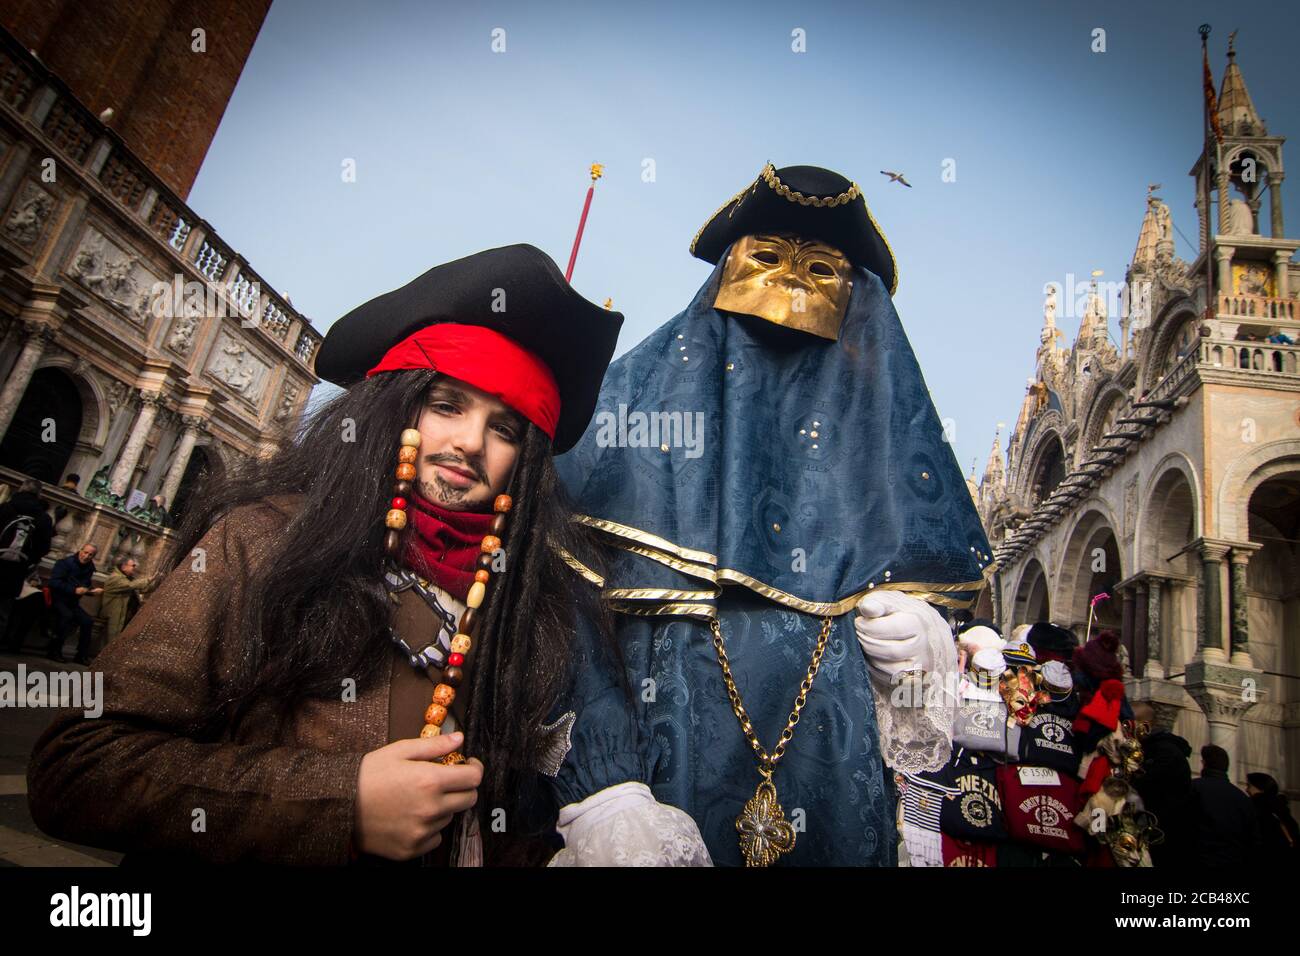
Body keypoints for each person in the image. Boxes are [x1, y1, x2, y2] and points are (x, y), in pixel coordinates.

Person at [28, 243, 703, 866]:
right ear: (394, 409)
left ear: (522, 466)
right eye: (447, 405)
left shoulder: (526, 603)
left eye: (504, 428)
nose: (470, 442)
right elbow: (78, 766)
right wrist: (340, 801)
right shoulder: (263, 539)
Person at [553, 164, 992, 865]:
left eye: (822, 269)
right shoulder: (628, 425)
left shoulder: (881, 476)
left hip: (834, 785)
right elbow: (561, 612)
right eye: (767, 258)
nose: (792, 284)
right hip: (658, 778)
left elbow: (922, 610)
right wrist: (604, 787)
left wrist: (925, 646)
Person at [1129, 701, 1194, 868]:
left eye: (1129, 723)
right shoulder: (1150, 749)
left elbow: (1147, 785)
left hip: (1163, 834)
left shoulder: (1165, 752)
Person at [0, 479, 54, 649]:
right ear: (39, 494)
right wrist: (28, 561)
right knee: (3, 610)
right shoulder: (43, 518)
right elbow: (44, 547)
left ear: (20, 489)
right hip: (16, 569)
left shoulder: (6, 508)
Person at [1190, 744, 1260, 867]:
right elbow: (1253, 839)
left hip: (1199, 859)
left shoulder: (1193, 788)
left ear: (1204, 763)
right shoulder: (1242, 798)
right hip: (1232, 861)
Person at [45, 543, 101, 664]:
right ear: (80, 550)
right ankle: (54, 650)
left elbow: (84, 585)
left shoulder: (89, 567)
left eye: (90, 555)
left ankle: (81, 655)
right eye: (85, 552)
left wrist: (91, 591)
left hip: (72, 603)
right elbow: (54, 583)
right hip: (57, 599)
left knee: (88, 621)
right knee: (66, 616)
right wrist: (73, 590)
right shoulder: (65, 563)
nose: (86, 556)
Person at [98, 556, 159, 644]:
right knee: (111, 639)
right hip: (114, 613)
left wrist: (157, 582)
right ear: (123, 566)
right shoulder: (115, 578)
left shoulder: (128, 578)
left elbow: (142, 589)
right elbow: (129, 585)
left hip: (126, 612)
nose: (135, 568)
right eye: (133, 566)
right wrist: (149, 579)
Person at [1246, 771, 1298, 865]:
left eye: (1249, 786)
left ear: (1261, 789)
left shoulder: (1255, 808)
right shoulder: (1281, 808)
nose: (1247, 790)